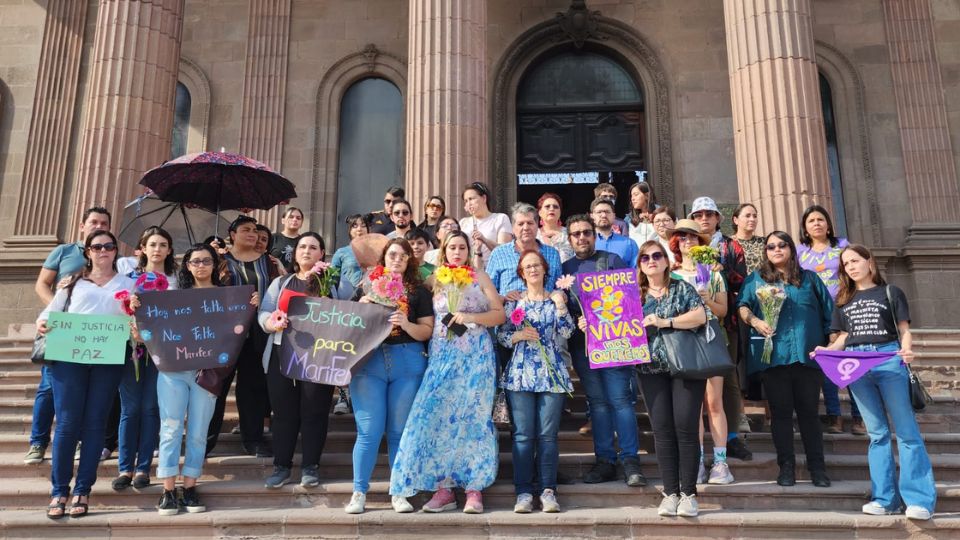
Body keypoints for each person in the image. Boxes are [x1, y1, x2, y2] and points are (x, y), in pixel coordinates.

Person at [389, 231, 505, 514]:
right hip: (442, 357)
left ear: (468, 250)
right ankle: (444, 488)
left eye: (462, 247)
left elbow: (499, 314)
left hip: (475, 357)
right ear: (443, 250)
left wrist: (471, 317)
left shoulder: (480, 276)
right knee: (438, 419)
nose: (457, 251)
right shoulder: (435, 279)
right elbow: (408, 293)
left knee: (473, 419)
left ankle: (473, 487)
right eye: (451, 247)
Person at [818, 244, 935, 520]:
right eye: (846, 264)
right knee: (877, 434)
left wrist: (907, 350)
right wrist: (826, 351)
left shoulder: (890, 292)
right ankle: (885, 499)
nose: (851, 267)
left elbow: (904, 330)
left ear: (869, 262)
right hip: (857, 364)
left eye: (855, 261)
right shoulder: (843, 299)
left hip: (888, 358)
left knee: (907, 431)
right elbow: (844, 337)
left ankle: (919, 500)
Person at [151, 243, 257, 515]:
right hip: (174, 371)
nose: (200, 266)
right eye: (195, 261)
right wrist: (139, 309)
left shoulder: (227, 298)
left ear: (215, 265)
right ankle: (167, 489)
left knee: (198, 432)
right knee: (171, 428)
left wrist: (250, 307)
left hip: (207, 374)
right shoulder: (173, 295)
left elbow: (236, 333)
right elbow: (155, 326)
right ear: (187, 265)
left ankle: (189, 486)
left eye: (206, 261)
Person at [38, 230, 135, 518]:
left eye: (109, 246)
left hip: (108, 360)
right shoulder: (71, 284)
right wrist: (44, 325)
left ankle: (83, 489)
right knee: (67, 424)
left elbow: (138, 320)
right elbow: (48, 314)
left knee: (95, 424)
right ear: (88, 252)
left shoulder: (129, 285)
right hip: (69, 358)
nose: (103, 251)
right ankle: (58, 491)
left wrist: (135, 324)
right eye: (97, 246)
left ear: (116, 251)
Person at [342, 239, 435, 514]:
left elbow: (426, 331)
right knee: (368, 431)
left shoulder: (418, 292)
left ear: (409, 261)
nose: (398, 259)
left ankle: (399, 491)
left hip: (407, 360)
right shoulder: (365, 286)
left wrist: (406, 323)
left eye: (403, 256)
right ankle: (359, 492)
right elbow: (346, 325)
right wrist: (362, 305)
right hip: (370, 363)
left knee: (398, 432)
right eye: (393, 254)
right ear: (384, 257)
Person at [737, 231, 833, 488]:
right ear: (765, 252)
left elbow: (829, 315)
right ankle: (786, 468)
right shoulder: (756, 279)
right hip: (774, 357)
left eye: (782, 245)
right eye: (771, 246)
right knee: (780, 416)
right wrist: (755, 321)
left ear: (791, 248)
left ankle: (818, 469)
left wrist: (831, 347)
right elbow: (742, 306)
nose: (777, 249)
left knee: (809, 416)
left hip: (807, 356)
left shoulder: (810, 279)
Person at [562, 215, 645, 487]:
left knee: (620, 401)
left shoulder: (611, 261)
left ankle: (631, 460)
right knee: (597, 404)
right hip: (582, 346)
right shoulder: (565, 271)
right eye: (576, 234)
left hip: (614, 344)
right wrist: (578, 321)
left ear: (594, 234)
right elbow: (562, 310)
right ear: (569, 238)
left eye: (586, 232)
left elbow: (629, 300)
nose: (582, 237)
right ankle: (605, 460)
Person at [25, 207, 111, 466]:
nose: (99, 225)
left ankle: (82, 440)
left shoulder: (110, 255)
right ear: (82, 225)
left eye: (104, 223)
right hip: (63, 330)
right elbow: (42, 283)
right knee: (49, 387)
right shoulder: (63, 252)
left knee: (88, 390)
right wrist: (58, 310)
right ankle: (38, 442)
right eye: (93, 221)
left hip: (96, 337)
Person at [259, 232, 340, 490]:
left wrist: (333, 305)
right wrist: (271, 323)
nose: (306, 250)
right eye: (302, 246)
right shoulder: (281, 282)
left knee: (314, 411)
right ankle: (281, 466)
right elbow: (264, 312)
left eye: (313, 247)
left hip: (319, 356)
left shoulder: (333, 282)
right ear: (295, 254)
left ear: (321, 254)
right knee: (283, 413)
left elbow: (351, 310)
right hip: (283, 353)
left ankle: (310, 466)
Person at [635, 240, 709, 517]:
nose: (651, 260)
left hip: (685, 366)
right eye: (645, 257)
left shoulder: (682, 288)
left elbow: (700, 315)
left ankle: (689, 493)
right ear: (640, 264)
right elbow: (612, 323)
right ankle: (670, 492)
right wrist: (591, 324)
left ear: (666, 261)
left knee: (686, 428)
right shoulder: (634, 295)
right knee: (663, 431)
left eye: (657, 255)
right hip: (649, 369)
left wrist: (665, 322)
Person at [497, 250, 574, 513]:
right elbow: (502, 336)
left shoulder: (555, 300)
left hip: (551, 372)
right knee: (522, 436)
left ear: (544, 269)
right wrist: (516, 337)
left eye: (536, 265)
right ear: (521, 272)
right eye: (527, 266)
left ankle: (548, 490)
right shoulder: (513, 304)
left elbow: (567, 331)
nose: (532, 270)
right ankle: (523, 492)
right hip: (520, 373)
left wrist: (561, 305)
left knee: (548, 436)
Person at [112, 227, 179, 492]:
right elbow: (116, 306)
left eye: (163, 244)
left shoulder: (175, 280)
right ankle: (125, 467)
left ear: (169, 250)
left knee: (151, 408)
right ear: (143, 248)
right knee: (129, 409)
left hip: (161, 351)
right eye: (152, 244)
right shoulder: (128, 278)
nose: (158, 249)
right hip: (132, 349)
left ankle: (143, 468)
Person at [207, 216, 280, 457]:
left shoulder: (268, 263)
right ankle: (207, 439)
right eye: (245, 230)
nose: (252, 234)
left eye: (255, 230)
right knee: (215, 386)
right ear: (232, 234)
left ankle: (253, 439)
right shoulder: (218, 261)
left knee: (253, 387)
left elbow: (277, 293)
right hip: (223, 334)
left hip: (257, 333)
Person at [668, 220, 734, 485]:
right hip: (682, 341)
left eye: (692, 237)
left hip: (710, 337)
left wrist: (706, 297)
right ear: (675, 244)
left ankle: (720, 463)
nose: (687, 241)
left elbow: (722, 312)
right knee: (691, 408)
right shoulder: (670, 276)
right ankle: (696, 461)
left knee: (714, 403)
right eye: (682, 237)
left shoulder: (714, 274)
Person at [689, 196, 752, 459]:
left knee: (729, 380)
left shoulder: (730, 246)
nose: (704, 219)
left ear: (718, 218)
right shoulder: (686, 244)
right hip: (690, 325)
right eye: (699, 215)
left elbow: (741, 280)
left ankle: (733, 436)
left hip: (725, 320)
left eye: (709, 214)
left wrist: (719, 272)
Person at [797, 204, 861, 435]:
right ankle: (834, 415)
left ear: (828, 224)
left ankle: (858, 416)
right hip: (817, 314)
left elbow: (853, 272)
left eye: (820, 219)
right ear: (804, 227)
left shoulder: (842, 246)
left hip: (844, 308)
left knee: (851, 361)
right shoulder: (800, 251)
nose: (816, 224)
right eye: (811, 220)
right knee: (828, 363)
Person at [459, 181, 512, 269]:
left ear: (484, 198)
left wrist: (485, 240)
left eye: (471, 199)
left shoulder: (500, 218)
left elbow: (505, 251)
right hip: (468, 272)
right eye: (466, 201)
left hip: (492, 269)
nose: (469, 203)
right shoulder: (463, 222)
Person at [590, 198, 638, 269]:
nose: (603, 215)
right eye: (599, 212)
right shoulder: (585, 244)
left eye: (607, 212)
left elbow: (636, 272)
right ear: (592, 216)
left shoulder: (629, 244)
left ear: (614, 216)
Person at [331, 214, 369, 298]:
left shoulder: (376, 251)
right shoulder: (341, 252)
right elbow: (332, 278)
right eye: (355, 226)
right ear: (350, 230)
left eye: (363, 226)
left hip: (369, 297)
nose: (359, 229)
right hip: (346, 298)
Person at [536, 192, 574, 263]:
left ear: (560, 212)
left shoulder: (570, 233)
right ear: (540, 212)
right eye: (547, 206)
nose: (552, 209)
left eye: (555, 207)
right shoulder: (534, 235)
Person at [732, 203, 764, 274]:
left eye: (755, 216)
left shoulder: (765, 242)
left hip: (764, 283)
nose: (752, 219)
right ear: (735, 220)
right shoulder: (727, 244)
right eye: (747, 216)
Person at [626, 181, 658, 246]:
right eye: (631, 196)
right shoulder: (629, 218)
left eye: (636, 194)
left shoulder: (661, 213)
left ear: (647, 195)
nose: (632, 198)